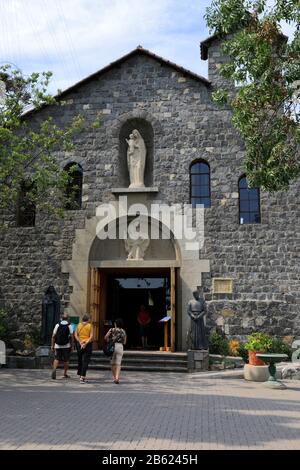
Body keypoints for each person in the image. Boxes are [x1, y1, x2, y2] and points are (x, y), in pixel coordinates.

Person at [51, 313, 74, 379]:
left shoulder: (57, 325)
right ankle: (65, 374)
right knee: (66, 360)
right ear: (68, 319)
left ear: (61, 318)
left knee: (56, 358)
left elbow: (53, 336)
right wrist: (72, 346)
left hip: (57, 345)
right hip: (66, 345)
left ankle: (54, 369)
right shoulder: (69, 326)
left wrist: (52, 345)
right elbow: (72, 337)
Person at [104, 318, 126, 384]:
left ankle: (114, 378)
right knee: (118, 364)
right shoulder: (123, 331)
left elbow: (105, 337)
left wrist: (109, 340)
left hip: (112, 347)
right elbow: (124, 342)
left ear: (115, 324)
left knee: (113, 363)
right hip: (120, 347)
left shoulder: (111, 330)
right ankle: (117, 378)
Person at [75, 314, 94, 384]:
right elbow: (91, 336)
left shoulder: (78, 325)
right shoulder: (90, 325)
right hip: (87, 344)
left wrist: (80, 343)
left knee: (80, 360)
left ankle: (80, 375)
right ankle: (82, 377)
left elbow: (76, 335)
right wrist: (85, 343)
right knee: (86, 361)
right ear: (88, 319)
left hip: (79, 344)